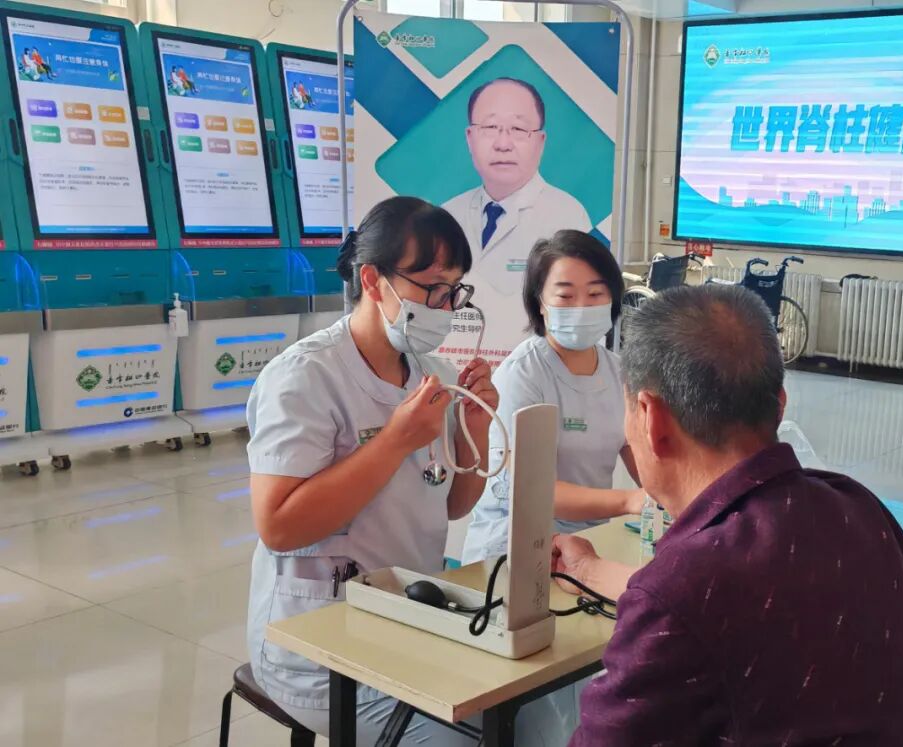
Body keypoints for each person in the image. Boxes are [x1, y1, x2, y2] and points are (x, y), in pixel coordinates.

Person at [554, 284, 903, 746]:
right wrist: (586, 570)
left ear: (651, 418)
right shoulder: (855, 505)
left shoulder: (684, 588)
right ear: (779, 403)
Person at [245, 197, 571, 745]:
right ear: (373, 280)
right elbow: (278, 526)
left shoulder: (432, 373)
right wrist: (395, 441)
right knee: (472, 740)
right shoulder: (304, 378)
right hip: (320, 644)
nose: (446, 306)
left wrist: (473, 427)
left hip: (411, 617)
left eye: (454, 290)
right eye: (433, 288)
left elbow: (454, 504)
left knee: (536, 716)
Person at [461, 230, 644, 563]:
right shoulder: (523, 374)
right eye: (565, 295)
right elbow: (530, 488)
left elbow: (641, 455)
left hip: (586, 545)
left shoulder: (619, 371)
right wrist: (630, 501)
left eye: (595, 293)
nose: (582, 306)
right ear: (540, 303)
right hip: (515, 548)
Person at [442, 78, 591, 297]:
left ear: (540, 142)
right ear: (470, 138)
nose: (503, 144)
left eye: (518, 129)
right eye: (490, 127)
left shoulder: (568, 216)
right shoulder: (448, 215)